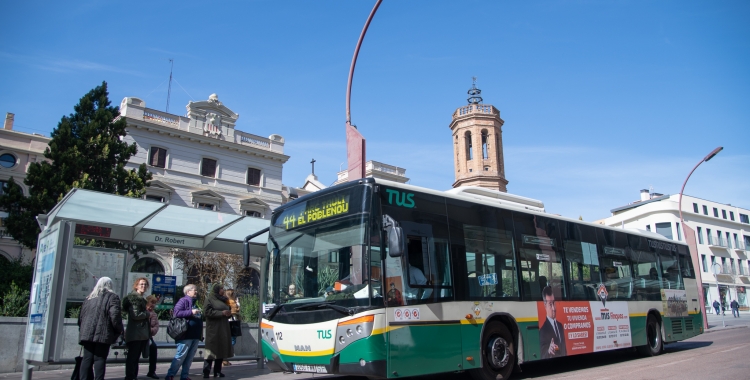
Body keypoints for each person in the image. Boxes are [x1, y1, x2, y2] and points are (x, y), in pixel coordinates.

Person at [77, 277, 124, 380]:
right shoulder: (113, 297)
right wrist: (119, 330)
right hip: (103, 333)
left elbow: (81, 316)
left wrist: (83, 329)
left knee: (87, 359)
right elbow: (115, 316)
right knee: (100, 359)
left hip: (86, 333)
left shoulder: (89, 298)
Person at [165, 284, 203, 380]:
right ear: (188, 292)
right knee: (181, 355)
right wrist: (191, 312)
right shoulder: (183, 300)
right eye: (194, 290)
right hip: (185, 334)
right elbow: (176, 312)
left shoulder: (195, 302)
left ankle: (185, 376)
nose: (196, 292)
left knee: (189, 358)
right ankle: (170, 375)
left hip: (195, 334)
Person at [122, 277, 151, 380]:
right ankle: (130, 376)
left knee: (135, 357)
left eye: (145, 284)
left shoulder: (141, 298)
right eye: (141, 284)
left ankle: (133, 376)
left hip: (140, 333)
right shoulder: (134, 298)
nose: (143, 286)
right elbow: (136, 315)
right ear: (136, 286)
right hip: (136, 333)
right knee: (133, 357)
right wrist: (147, 314)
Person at [203, 284, 234, 378]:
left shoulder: (223, 299)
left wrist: (228, 313)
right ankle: (206, 371)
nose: (223, 290)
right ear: (216, 289)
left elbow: (229, 309)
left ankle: (217, 371)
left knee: (221, 349)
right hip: (214, 328)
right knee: (211, 350)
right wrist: (221, 313)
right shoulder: (209, 299)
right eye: (221, 289)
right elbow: (207, 312)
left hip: (223, 327)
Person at [539, 286, 567, 359]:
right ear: (545, 306)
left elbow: (564, 349)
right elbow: (542, 354)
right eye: (550, 304)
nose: (554, 308)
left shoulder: (560, 325)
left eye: (554, 303)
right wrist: (549, 351)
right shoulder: (542, 331)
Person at [223, 289, 241, 367]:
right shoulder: (231, 302)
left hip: (229, 322)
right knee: (232, 340)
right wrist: (237, 304)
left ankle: (225, 358)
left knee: (230, 340)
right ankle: (225, 358)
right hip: (232, 322)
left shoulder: (227, 301)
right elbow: (236, 311)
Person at [145, 295, 160, 379]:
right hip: (141, 336)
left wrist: (150, 330)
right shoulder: (143, 312)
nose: (153, 305)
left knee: (153, 348)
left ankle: (152, 371)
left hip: (149, 337)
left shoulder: (154, 314)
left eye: (154, 303)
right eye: (151, 302)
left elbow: (156, 326)